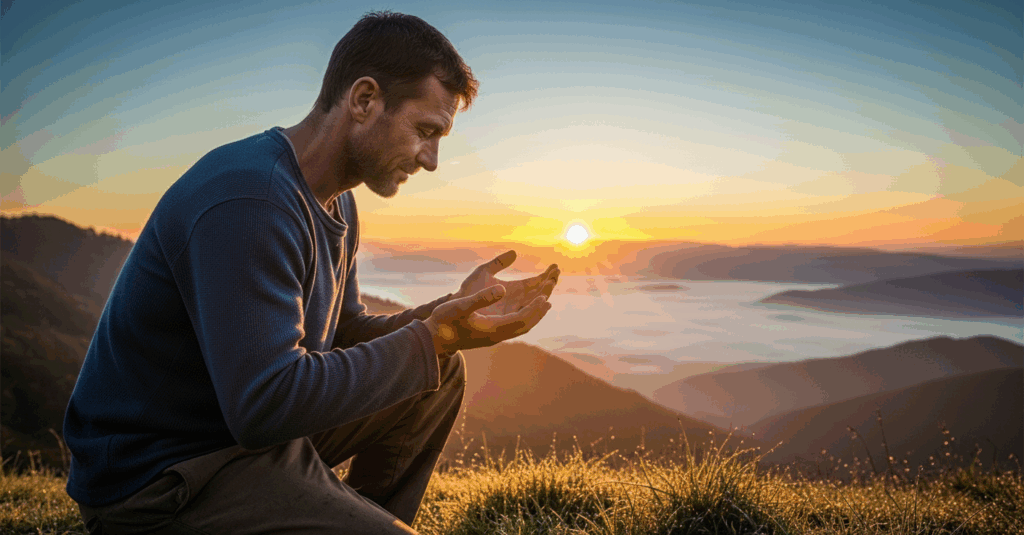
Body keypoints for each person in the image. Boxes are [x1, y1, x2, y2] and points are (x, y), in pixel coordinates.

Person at [63, 11, 559, 534]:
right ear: (364, 100)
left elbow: (342, 332)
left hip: (241, 438)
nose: (431, 159)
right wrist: (428, 339)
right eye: (426, 131)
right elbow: (265, 405)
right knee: (426, 355)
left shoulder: (336, 200)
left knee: (438, 372)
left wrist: (447, 319)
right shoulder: (252, 200)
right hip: (161, 478)